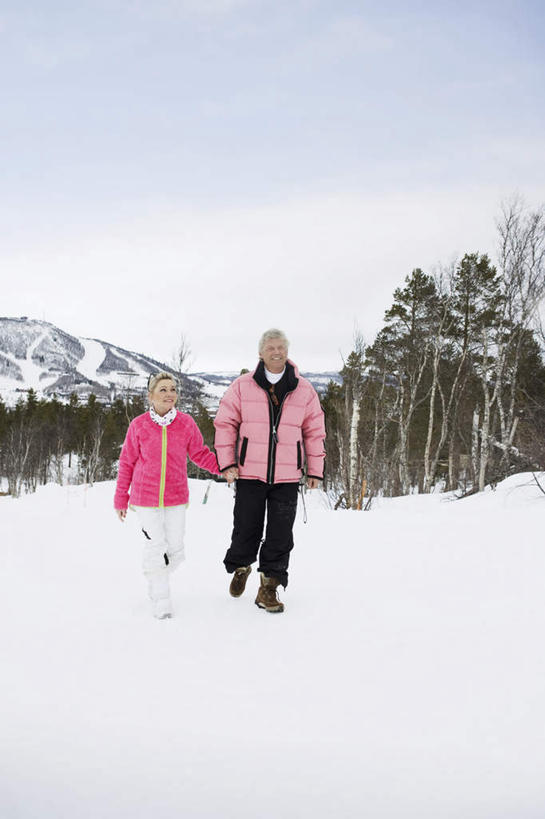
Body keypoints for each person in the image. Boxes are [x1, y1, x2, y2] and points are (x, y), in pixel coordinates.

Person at [214, 329, 326, 613]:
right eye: (271, 347)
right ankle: (241, 566)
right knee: (245, 528)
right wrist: (227, 463)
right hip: (249, 472)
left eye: (281, 347)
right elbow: (226, 423)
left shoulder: (304, 389)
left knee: (280, 534)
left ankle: (269, 587)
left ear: (287, 352)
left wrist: (315, 469)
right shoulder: (242, 386)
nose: (277, 352)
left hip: (288, 476)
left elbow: (314, 431)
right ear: (261, 353)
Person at [114, 372, 236, 619]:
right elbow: (127, 462)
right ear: (151, 396)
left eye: (172, 389)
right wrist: (121, 498)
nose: (169, 394)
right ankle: (161, 598)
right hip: (145, 497)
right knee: (156, 545)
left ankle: (154, 573)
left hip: (176, 496)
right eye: (163, 390)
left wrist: (224, 468)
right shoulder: (138, 425)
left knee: (176, 550)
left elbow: (200, 454)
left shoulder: (185, 423)